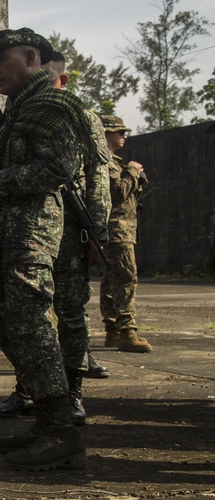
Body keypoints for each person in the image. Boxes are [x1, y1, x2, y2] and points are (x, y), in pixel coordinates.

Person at [0, 28, 85, 470]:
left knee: (31, 323)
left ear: (31, 57)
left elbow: (59, 168)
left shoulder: (50, 105)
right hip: (9, 232)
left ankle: (60, 429)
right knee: (11, 323)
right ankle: (45, 420)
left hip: (31, 232)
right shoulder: (19, 108)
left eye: (2, 60)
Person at [0, 51, 112, 423]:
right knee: (26, 314)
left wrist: (98, 230)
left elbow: (97, 175)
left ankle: (71, 393)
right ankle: (29, 389)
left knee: (70, 311)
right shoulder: (17, 112)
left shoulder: (80, 115)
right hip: (34, 222)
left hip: (73, 225)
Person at [99, 115, 153, 352]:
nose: (124, 136)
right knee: (126, 278)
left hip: (121, 229)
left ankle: (114, 331)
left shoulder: (113, 162)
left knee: (112, 279)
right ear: (106, 133)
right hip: (116, 230)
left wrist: (135, 177)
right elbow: (116, 192)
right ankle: (127, 332)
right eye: (119, 132)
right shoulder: (105, 162)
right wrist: (131, 171)